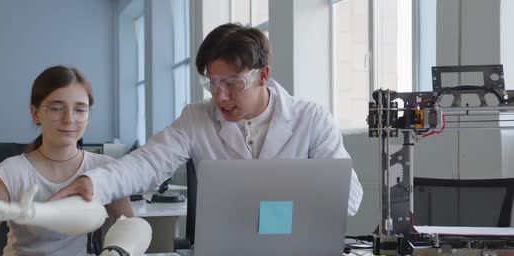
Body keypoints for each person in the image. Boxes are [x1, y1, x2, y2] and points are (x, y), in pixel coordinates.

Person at [51, 23, 363, 216]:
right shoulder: (196, 119)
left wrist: (285, 184)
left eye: (231, 82)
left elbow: (349, 201)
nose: (220, 95)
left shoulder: (311, 119)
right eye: (212, 82)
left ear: (263, 75)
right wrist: (94, 182)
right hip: (227, 255)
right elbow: (146, 164)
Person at [0, 65, 134, 256]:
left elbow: (131, 229)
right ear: (36, 113)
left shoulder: (103, 169)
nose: (69, 119)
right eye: (56, 108)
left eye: (80, 109)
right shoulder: (11, 173)